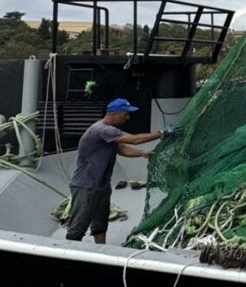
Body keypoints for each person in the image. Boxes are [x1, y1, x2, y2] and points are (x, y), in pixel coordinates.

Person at [66, 98, 179, 243]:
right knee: (77, 227)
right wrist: (162, 133)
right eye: (125, 114)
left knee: (100, 223)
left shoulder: (108, 134)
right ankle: (68, 254)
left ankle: (102, 251)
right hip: (86, 186)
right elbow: (134, 139)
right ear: (115, 113)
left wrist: (141, 153)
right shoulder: (103, 129)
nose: (127, 118)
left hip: (102, 185)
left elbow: (121, 149)